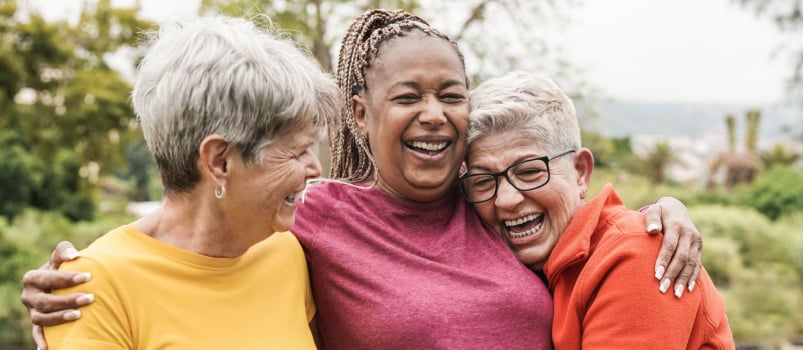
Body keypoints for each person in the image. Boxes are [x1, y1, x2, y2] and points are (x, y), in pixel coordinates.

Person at [22, 9, 703, 350]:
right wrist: (68, 273)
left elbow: (583, 226)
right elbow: (193, 229)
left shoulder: (492, 202)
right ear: (359, 112)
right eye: (408, 96)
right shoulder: (309, 220)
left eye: (451, 95)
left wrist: (664, 215)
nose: (434, 115)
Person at [36, 15, 340, 349]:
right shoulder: (92, 288)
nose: (315, 169)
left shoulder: (285, 250)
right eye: (297, 153)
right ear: (219, 162)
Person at [460, 71, 734, 348]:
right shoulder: (544, 262)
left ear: (581, 172)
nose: (505, 200)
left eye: (530, 171)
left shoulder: (635, 256)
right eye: (483, 181)